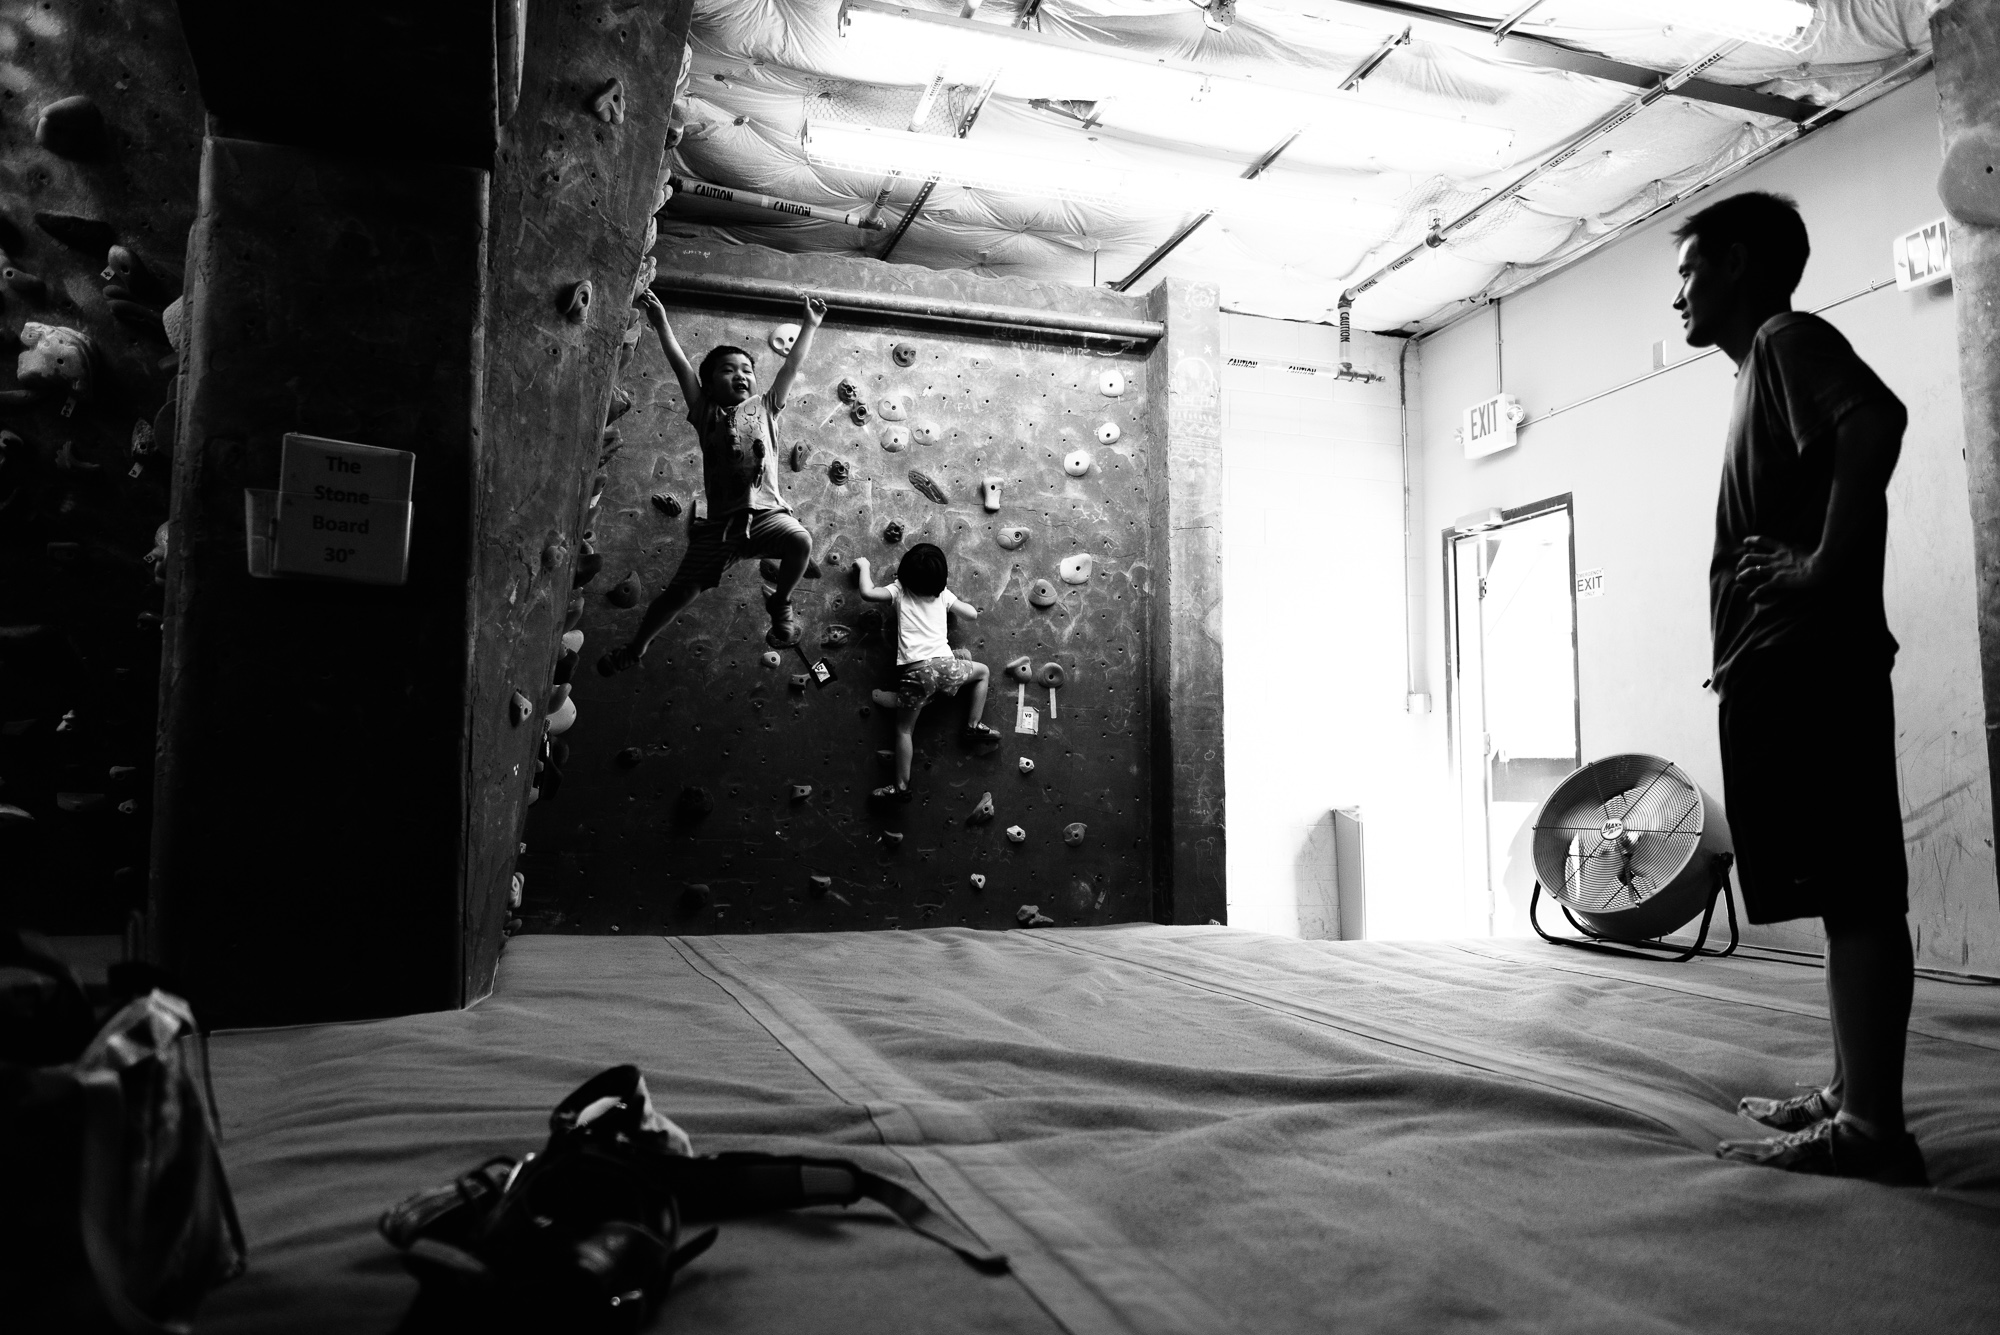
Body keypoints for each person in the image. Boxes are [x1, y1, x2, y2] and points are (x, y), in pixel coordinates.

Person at [1675, 192, 1922, 1185]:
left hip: (1809, 660)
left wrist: (1822, 570)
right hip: (1781, 666)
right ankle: (1847, 1088)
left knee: (1856, 892)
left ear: (1735, 263)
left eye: (1688, 272)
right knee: (1839, 894)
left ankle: (1870, 1132)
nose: (1678, 296)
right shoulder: (1759, 370)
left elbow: (1876, 421)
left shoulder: (1782, 338)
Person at [599, 291, 824, 673]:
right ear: (709, 384)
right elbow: (681, 366)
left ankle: (781, 601)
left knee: (800, 539)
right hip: (720, 528)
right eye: (727, 370)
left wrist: (810, 325)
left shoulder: (766, 408)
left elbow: (791, 368)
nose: (740, 375)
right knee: (679, 593)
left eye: (746, 370)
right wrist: (661, 323)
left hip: (767, 514)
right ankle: (636, 647)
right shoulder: (706, 413)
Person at [853, 543, 999, 803]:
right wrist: (953, 601)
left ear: (904, 574)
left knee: (904, 731)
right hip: (946, 667)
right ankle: (974, 725)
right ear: (941, 577)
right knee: (983, 672)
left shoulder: (899, 590)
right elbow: (972, 614)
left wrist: (864, 566)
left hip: (917, 675)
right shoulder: (942, 593)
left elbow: (867, 592)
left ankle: (900, 787)